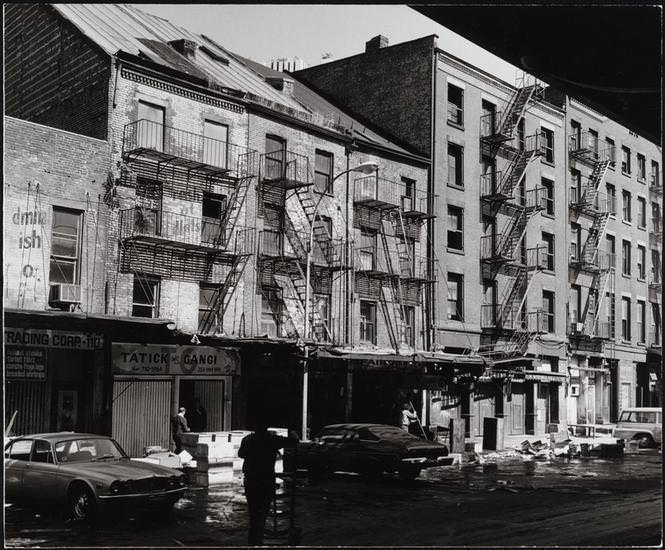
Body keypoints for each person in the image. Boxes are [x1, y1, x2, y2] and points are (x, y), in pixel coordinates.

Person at [238, 421, 298, 545]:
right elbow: (294, 441)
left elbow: (241, 454)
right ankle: (257, 538)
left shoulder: (247, 439)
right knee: (262, 513)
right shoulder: (272, 439)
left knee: (254, 514)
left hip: (251, 480)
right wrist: (291, 428)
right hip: (266, 480)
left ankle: (254, 540)